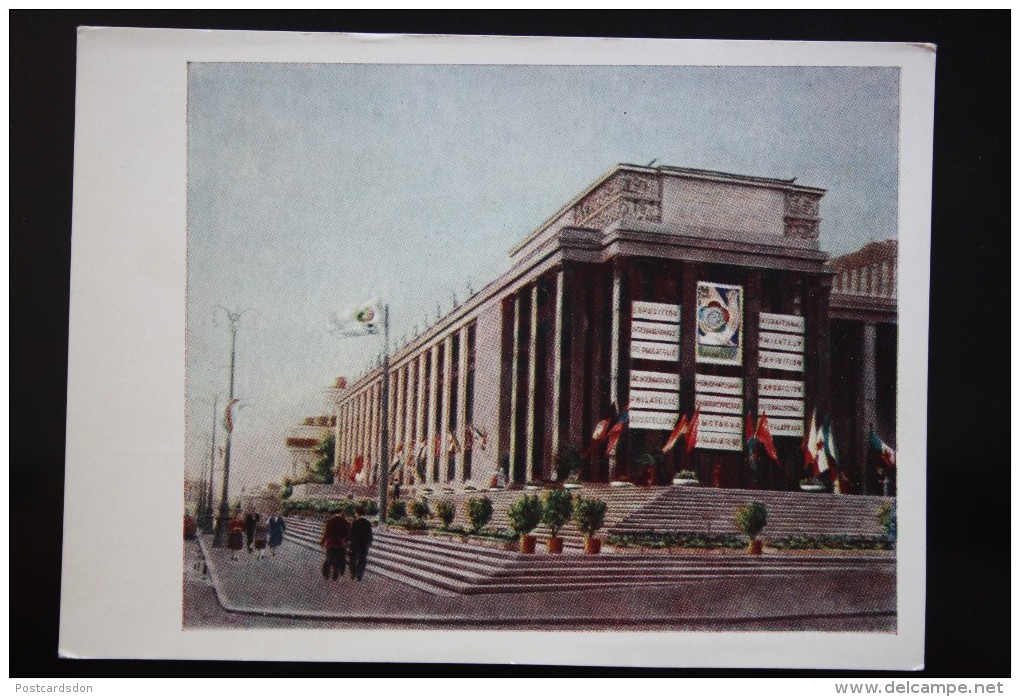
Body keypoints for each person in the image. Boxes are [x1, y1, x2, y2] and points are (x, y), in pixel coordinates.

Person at [319, 511, 350, 581]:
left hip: (331, 544)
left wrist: (323, 541)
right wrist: (346, 542)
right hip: (341, 545)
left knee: (329, 559)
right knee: (338, 560)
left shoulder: (330, 521)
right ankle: (335, 575)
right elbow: (348, 535)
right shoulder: (345, 522)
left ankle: (326, 575)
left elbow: (326, 533)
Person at [348, 505, 374, 582]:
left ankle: (353, 573)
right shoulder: (367, 523)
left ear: (356, 513)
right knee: (362, 559)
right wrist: (369, 542)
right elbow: (370, 534)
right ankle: (359, 575)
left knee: (352, 559)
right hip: (364, 544)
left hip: (354, 544)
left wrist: (349, 541)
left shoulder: (354, 522)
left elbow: (351, 534)